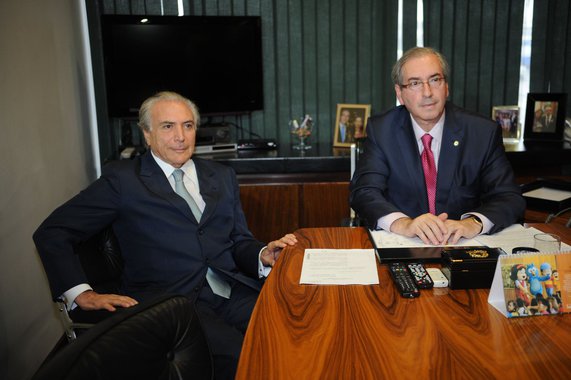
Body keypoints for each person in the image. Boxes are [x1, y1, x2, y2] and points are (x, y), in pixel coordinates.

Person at [33, 91, 297, 379]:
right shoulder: (122, 180)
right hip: (172, 301)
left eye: (188, 125)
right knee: (241, 357)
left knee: (292, 333)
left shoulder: (221, 176)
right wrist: (81, 294)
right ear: (147, 134)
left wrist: (262, 254)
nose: (180, 137)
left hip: (231, 290)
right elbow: (53, 231)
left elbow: (238, 240)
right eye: (167, 126)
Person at [350, 47, 525, 245]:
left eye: (435, 80)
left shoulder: (482, 132)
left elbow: (509, 197)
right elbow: (364, 192)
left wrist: (473, 223)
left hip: (461, 246)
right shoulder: (382, 130)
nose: (427, 93)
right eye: (415, 83)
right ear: (400, 93)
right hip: (403, 245)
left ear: (446, 87)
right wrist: (404, 223)